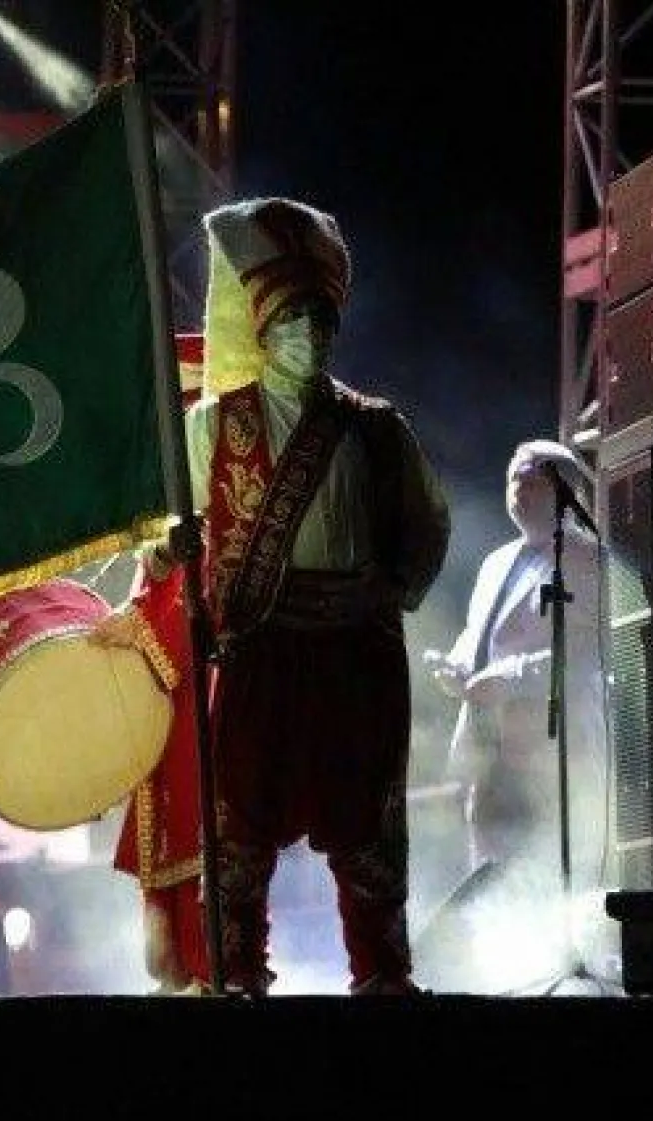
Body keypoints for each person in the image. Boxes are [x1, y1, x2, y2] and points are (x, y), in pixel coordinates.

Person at [183, 197, 451, 996]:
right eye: (295, 320)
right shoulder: (213, 425)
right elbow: (177, 515)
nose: (311, 334)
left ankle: (381, 971)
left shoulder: (376, 430)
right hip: (261, 645)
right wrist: (172, 542)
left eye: (322, 320)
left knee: (367, 820)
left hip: (355, 652)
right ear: (263, 331)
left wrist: (393, 590)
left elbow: (425, 523)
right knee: (240, 820)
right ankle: (236, 971)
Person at [422, 439, 607, 909]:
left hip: (549, 742)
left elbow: (587, 653)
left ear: (564, 490)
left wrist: (511, 675)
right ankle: (499, 952)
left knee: (544, 854)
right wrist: (456, 665)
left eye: (532, 482)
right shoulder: (497, 561)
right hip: (491, 741)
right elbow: (478, 634)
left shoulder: (584, 559)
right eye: (512, 480)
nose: (517, 492)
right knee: (487, 856)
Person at [90, 332, 210, 995]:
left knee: (200, 873)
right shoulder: (163, 514)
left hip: (202, 707)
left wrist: (135, 626)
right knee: (164, 911)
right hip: (161, 715)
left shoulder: (218, 503)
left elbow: (208, 596)